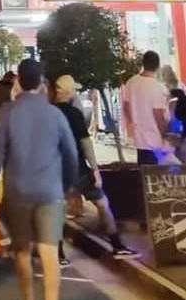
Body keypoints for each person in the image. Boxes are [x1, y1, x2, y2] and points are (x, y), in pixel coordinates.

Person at [0, 59, 78, 300]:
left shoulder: (6, 112)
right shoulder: (55, 114)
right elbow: (71, 154)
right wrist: (66, 185)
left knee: (22, 250)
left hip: (18, 191)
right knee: (49, 252)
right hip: (50, 191)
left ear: (18, 82)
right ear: (41, 83)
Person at [53, 75, 139, 259]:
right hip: (78, 169)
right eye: (74, 90)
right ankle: (117, 245)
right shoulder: (74, 114)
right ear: (68, 92)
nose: (76, 93)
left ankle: (59, 254)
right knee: (102, 204)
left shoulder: (48, 112)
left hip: (55, 168)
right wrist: (95, 169)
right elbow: (85, 143)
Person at [123, 50, 169, 165]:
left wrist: (132, 123)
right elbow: (158, 115)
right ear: (158, 66)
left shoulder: (131, 82)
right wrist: (166, 135)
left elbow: (125, 106)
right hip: (155, 141)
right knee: (157, 177)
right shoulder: (157, 87)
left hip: (139, 140)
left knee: (144, 175)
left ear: (143, 64)